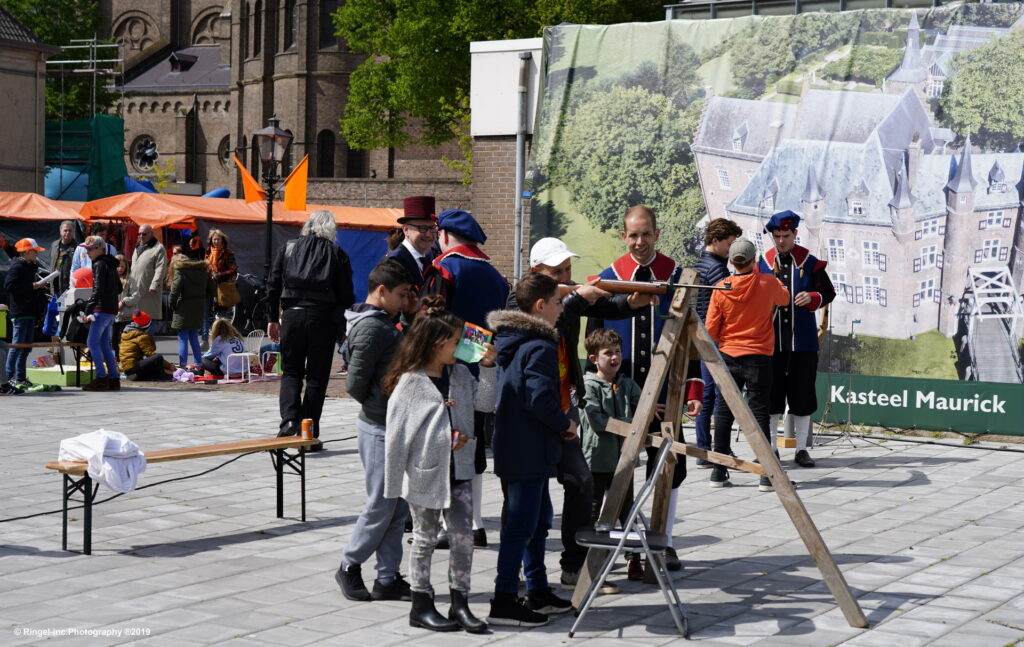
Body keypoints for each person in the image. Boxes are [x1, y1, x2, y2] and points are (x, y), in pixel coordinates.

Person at [524, 235, 658, 592]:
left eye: (568, 269)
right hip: (535, 414)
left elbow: (604, 307)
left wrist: (630, 302)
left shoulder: (565, 298)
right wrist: (575, 298)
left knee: (580, 484)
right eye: (557, 271)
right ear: (537, 272)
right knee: (531, 501)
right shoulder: (523, 300)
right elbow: (544, 324)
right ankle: (528, 576)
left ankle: (573, 568)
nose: (566, 275)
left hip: (564, 408)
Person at [588, 205, 703, 572]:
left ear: (657, 233)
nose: (639, 241)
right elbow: (591, 340)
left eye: (646, 234)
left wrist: (694, 391)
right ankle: (619, 545)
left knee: (669, 468)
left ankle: (662, 543)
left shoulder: (679, 277)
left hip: (665, 397)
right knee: (616, 471)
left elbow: (691, 336)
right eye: (633, 235)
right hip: (617, 398)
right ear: (624, 236)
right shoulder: (607, 280)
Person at [382, 296, 493, 634]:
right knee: (424, 539)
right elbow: (397, 438)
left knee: (463, 539)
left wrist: (489, 369)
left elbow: (485, 404)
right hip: (426, 476)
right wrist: (392, 487)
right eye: (455, 341)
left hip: (459, 471)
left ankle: (460, 603)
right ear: (436, 343)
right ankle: (422, 604)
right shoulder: (410, 383)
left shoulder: (459, 373)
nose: (460, 346)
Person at [485, 272, 575, 627]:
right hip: (527, 451)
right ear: (540, 306)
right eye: (557, 302)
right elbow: (538, 399)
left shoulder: (514, 339)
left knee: (537, 522)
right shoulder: (539, 345)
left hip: (521, 448)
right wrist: (565, 424)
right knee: (521, 526)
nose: (561, 308)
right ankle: (504, 599)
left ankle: (537, 590)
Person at [422, 208, 509, 548]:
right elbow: (490, 331)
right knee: (472, 447)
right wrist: (478, 352)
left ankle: (450, 523)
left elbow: (431, 324)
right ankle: (475, 524)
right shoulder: (496, 276)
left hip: (446, 373)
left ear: (444, 236)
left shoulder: (444, 269)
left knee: (445, 447)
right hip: (485, 372)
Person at [335, 259, 413, 603]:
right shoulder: (371, 327)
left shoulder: (385, 323)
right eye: (401, 294)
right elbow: (354, 384)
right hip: (379, 426)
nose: (405, 300)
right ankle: (349, 565)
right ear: (381, 291)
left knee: (396, 507)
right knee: (381, 504)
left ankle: (387, 577)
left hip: (390, 424)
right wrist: (380, 404)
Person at [705, 238, 790, 492]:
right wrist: (777, 281)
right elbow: (785, 299)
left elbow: (711, 328)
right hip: (759, 357)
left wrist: (728, 342)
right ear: (754, 260)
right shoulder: (767, 282)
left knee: (723, 412)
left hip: (729, 355)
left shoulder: (721, 287)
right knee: (760, 414)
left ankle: (718, 472)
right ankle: (766, 474)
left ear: (731, 261)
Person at [267, 210, 355, 448]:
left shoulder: (288, 248)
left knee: (292, 372)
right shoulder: (337, 253)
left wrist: (272, 318)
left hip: (293, 315)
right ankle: (308, 430)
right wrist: (340, 324)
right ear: (331, 229)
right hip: (322, 318)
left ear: (307, 226)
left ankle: (288, 422)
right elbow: (346, 295)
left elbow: (273, 284)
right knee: (316, 377)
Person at [758, 211, 836, 468]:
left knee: (802, 396)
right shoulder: (764, 263)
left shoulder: (810, 262)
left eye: (786, 236)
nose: (781, 241)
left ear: (795, 234)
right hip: (773, 344)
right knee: (772, 399)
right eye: (777, 236)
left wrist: (813, 297)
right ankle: (771, 449)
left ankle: (801, 449)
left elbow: (828, 293)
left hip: (802, 344)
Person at [580, 328, 644, 580]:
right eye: (608, 353)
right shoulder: (590, 385)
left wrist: (649, 411)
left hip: (623, 460)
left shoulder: (626, 383)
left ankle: (633, 558)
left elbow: (644, 403)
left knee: (627, 510)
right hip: (597, 459)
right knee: (595, 512)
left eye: (618, 352)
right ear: (595, 358)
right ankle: (592, 560)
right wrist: (631, 428)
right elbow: (597, 419)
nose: (615, 357)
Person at [693, 218, 743, 468]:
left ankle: (704, 448)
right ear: (715, 241)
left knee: (708, 394)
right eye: (729, 244)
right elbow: (726, 309)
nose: (731, 250)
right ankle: (711, 450)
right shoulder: (719, 270)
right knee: (716, 395)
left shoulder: (700, 263)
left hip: (702, 335)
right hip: (715, 338)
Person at [3, 238, 48, 393]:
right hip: (20, 311)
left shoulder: (30, 266)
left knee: (26, 347)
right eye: (35, 252)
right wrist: (32, 286)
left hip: (29, 311)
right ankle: (8, 379)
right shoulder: (17, 267)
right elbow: (9, 286)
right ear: (28, 252)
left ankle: (20, 377)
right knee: (17, 346)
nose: (37, 255)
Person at [81, 236, 122, 392]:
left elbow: (97, 289)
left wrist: (88, 309)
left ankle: (101, 377)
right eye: (87, 249)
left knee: (92, 343)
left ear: (100, 249)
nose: (88, 252)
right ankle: (113, 378)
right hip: (111, 309)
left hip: (101, 309)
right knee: (105, 344)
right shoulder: (110, 264)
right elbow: (119, 288)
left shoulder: (99, 264)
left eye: (90, 249)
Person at [170, 248, 213, 370]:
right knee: (194, 336)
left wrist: (173, 305)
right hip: (198, 307)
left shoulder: (181, 271)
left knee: (182, 337)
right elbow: (212, 288)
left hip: (183, 307)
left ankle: (183, 365)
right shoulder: (203, 271)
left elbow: (174, 291)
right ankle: (198, 364)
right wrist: (201, 299)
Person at [386, 196, 438, 292]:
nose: (429, 234)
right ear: (406, 230)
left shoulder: (428, 259)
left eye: (432, 228)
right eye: (422, 228)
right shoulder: (395, 261)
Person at [129, 224, 167, 331]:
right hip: (136, 290)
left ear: (151, 234)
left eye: (144, 234)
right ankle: (141, 346)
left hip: (149, 290)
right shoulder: (138, 247)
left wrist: (154, 284)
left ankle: (147, 345)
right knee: (137, 321)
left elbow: (161, 268)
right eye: (139, 234)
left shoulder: (159, 248)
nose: (141, 236)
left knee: (149, 320)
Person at [119, 310, 174, 381]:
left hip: (127, 369)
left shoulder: (127, 333)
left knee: (154, 361)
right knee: (158, 357)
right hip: (133, 368)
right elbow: (151, 354)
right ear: (146, 326)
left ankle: (140, 375)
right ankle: (161, 376)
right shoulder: (142, 336)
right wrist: (169, 366)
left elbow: (151, 351)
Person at [206, 229, 237, 314]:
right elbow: (206, 267)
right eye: (214, 239)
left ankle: (220, 327)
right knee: (205, 312)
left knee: (221, 313)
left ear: (222, 240)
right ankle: (206, 328)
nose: (216, 241)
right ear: (211, 240)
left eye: (218, 239)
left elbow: (233, 270)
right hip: (208, 286)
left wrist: (220, 274)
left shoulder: (228, 253)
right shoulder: (208, 252)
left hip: (222, 287)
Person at [47, 220, 78, 295]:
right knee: (55, 306)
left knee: (65, 306)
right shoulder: (54, 245)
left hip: (68, 287)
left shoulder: (78, 248)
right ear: (60, 231)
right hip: (54, 285)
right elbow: (51, 263)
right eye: (65, 230)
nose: (67, 233)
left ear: (73, 232)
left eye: (70, 231)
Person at [112, 254, 133, 360]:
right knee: (113, 339)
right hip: (113, 315)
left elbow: (136, 296)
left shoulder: (130, 279)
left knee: (126, 339)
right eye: (118, 266)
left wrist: (124, 301)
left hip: (126, 315)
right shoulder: (110, 278)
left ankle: (126, 359)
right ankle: (115, 359)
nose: (120, 269)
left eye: (122, 267)